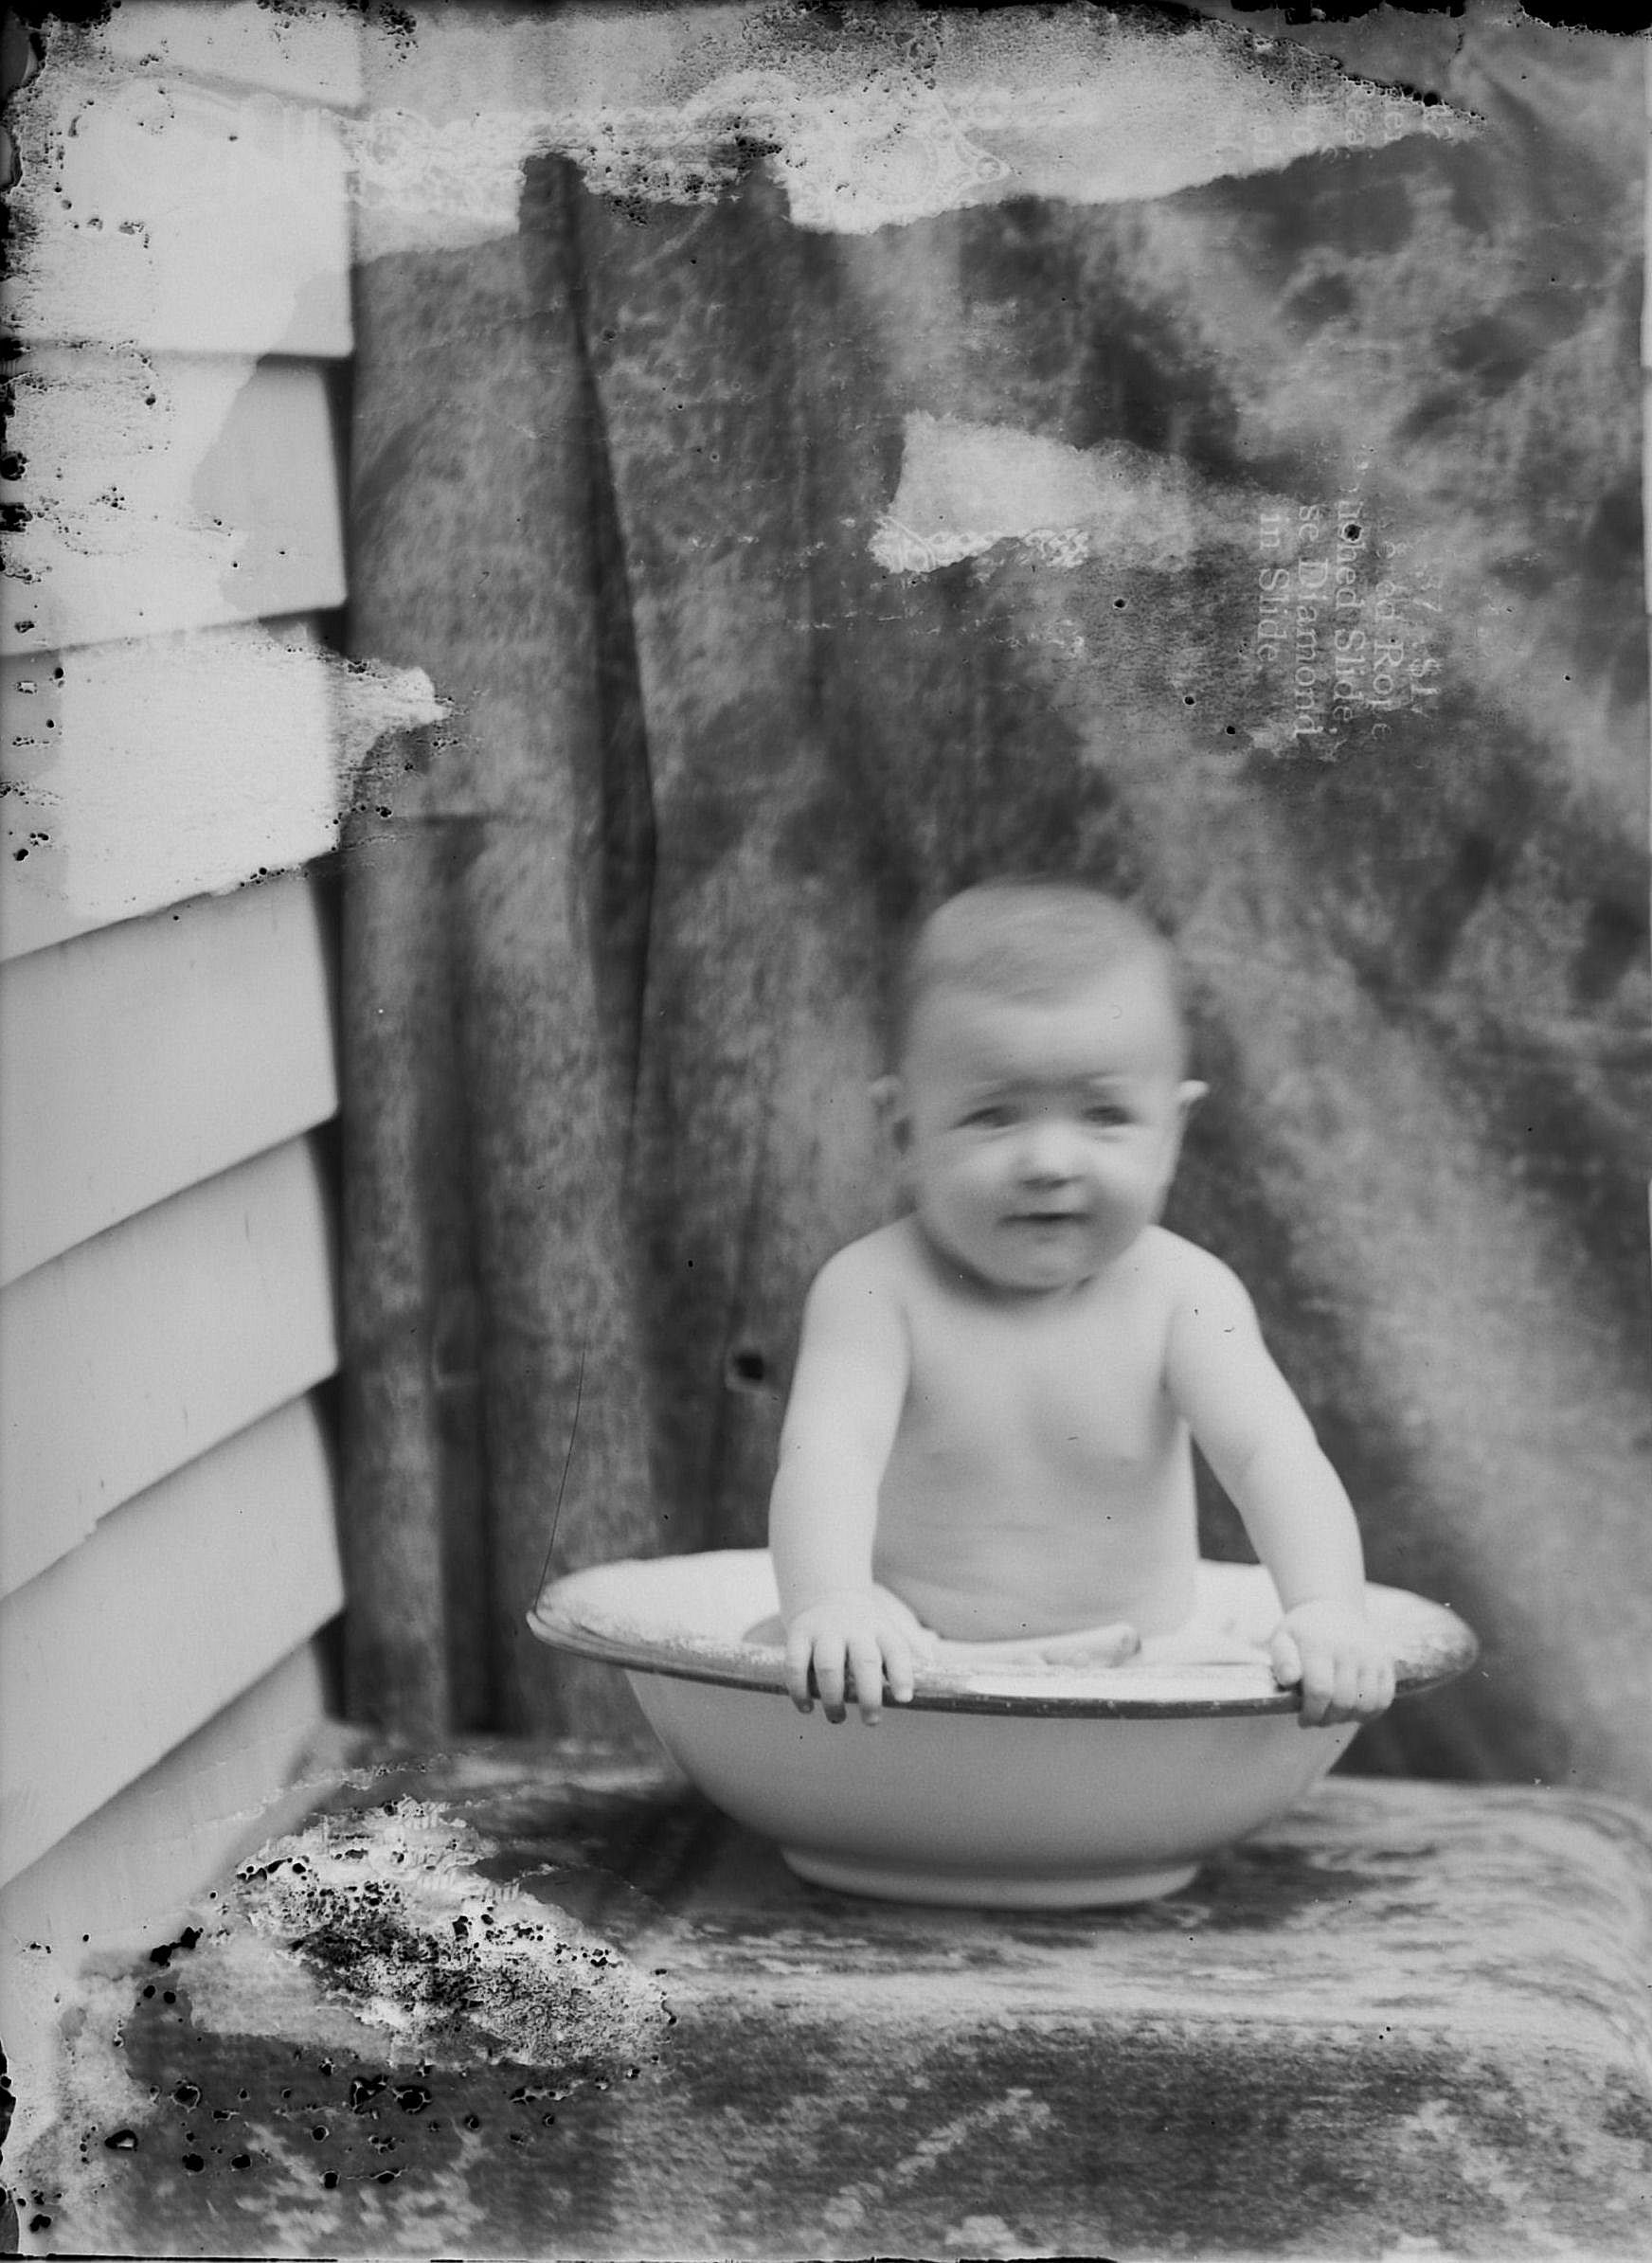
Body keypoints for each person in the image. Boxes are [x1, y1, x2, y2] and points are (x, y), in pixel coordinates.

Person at [767, 878, 1396, 1730]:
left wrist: (1327, 1607)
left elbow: (1272, 1457)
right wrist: (832, 1602)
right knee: (806, 1643)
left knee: (1249, 1668)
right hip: (919, 1669)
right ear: (904, 1130)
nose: (1049, 1161)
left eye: (1103, 1115)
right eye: (994, 1116)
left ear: (1172, 1133)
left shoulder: (1184, 1292)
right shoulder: (874, 1289)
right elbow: (828, 1456)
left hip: (1145, 1669)